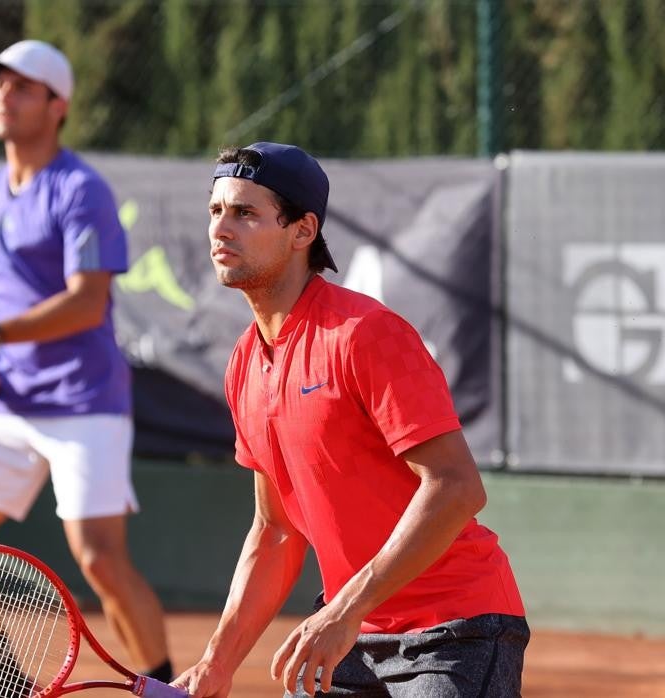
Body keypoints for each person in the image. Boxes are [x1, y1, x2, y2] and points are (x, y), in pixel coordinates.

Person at [173, 142, 527, 697]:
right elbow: (275, 531)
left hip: (455, 628)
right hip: (352, 637)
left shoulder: (365, 335)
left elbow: (456, 487)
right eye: (216, 211)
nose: (221, 228)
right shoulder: (244, 363)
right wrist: (218, 661)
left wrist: (344, 609)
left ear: (302, 230)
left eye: (245, 213)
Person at [0, 39, 172, 685]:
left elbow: (86, 304)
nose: (3, 96)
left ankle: (164, 685)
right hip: (7, 405)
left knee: (101, 558)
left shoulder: (82, 190)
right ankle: (10, 684)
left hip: (83, 400)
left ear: (58, 106)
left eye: (21, 88)